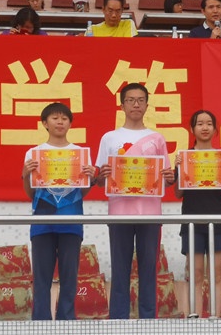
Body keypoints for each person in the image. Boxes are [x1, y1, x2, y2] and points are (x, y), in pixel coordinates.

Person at [94, 83, 176, 319]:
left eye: (140, 100)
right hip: (119, 213)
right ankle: (118, 320)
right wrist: (103, 175)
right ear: (122, 105)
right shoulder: (109, 138)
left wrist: (169, 178)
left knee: (148, 269)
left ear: (147, 105)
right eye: (131, 100)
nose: (136, 104)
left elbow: (165, 179)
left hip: (150, 214)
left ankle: (148, 319)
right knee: (120, 269)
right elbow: (99, 181)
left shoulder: (157, 138)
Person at [21, 103, 96, 320]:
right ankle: (41, 322)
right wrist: (26, 174)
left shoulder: (80, 154)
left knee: (69, 277)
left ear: (70, 123)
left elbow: (82, 192)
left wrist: (90, 178)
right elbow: (31, 194)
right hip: (42, 222)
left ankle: (66, 321)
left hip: (71, 221)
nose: (60, 122)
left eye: (64, 118)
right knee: (41, 278)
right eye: (55, 118)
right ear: (45, 123)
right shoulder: (34, 153)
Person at [173, 110, 221, 317]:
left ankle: (214, 319)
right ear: (192, 129)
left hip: (218, 221)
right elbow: (177, 193)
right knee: (195, 273)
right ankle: (194, 318)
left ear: (215, 129)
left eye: (209, 123)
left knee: (216, 274)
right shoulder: (185, 157)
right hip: (192, 221)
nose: (204, 127)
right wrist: (179, 169)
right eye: (199, 123)